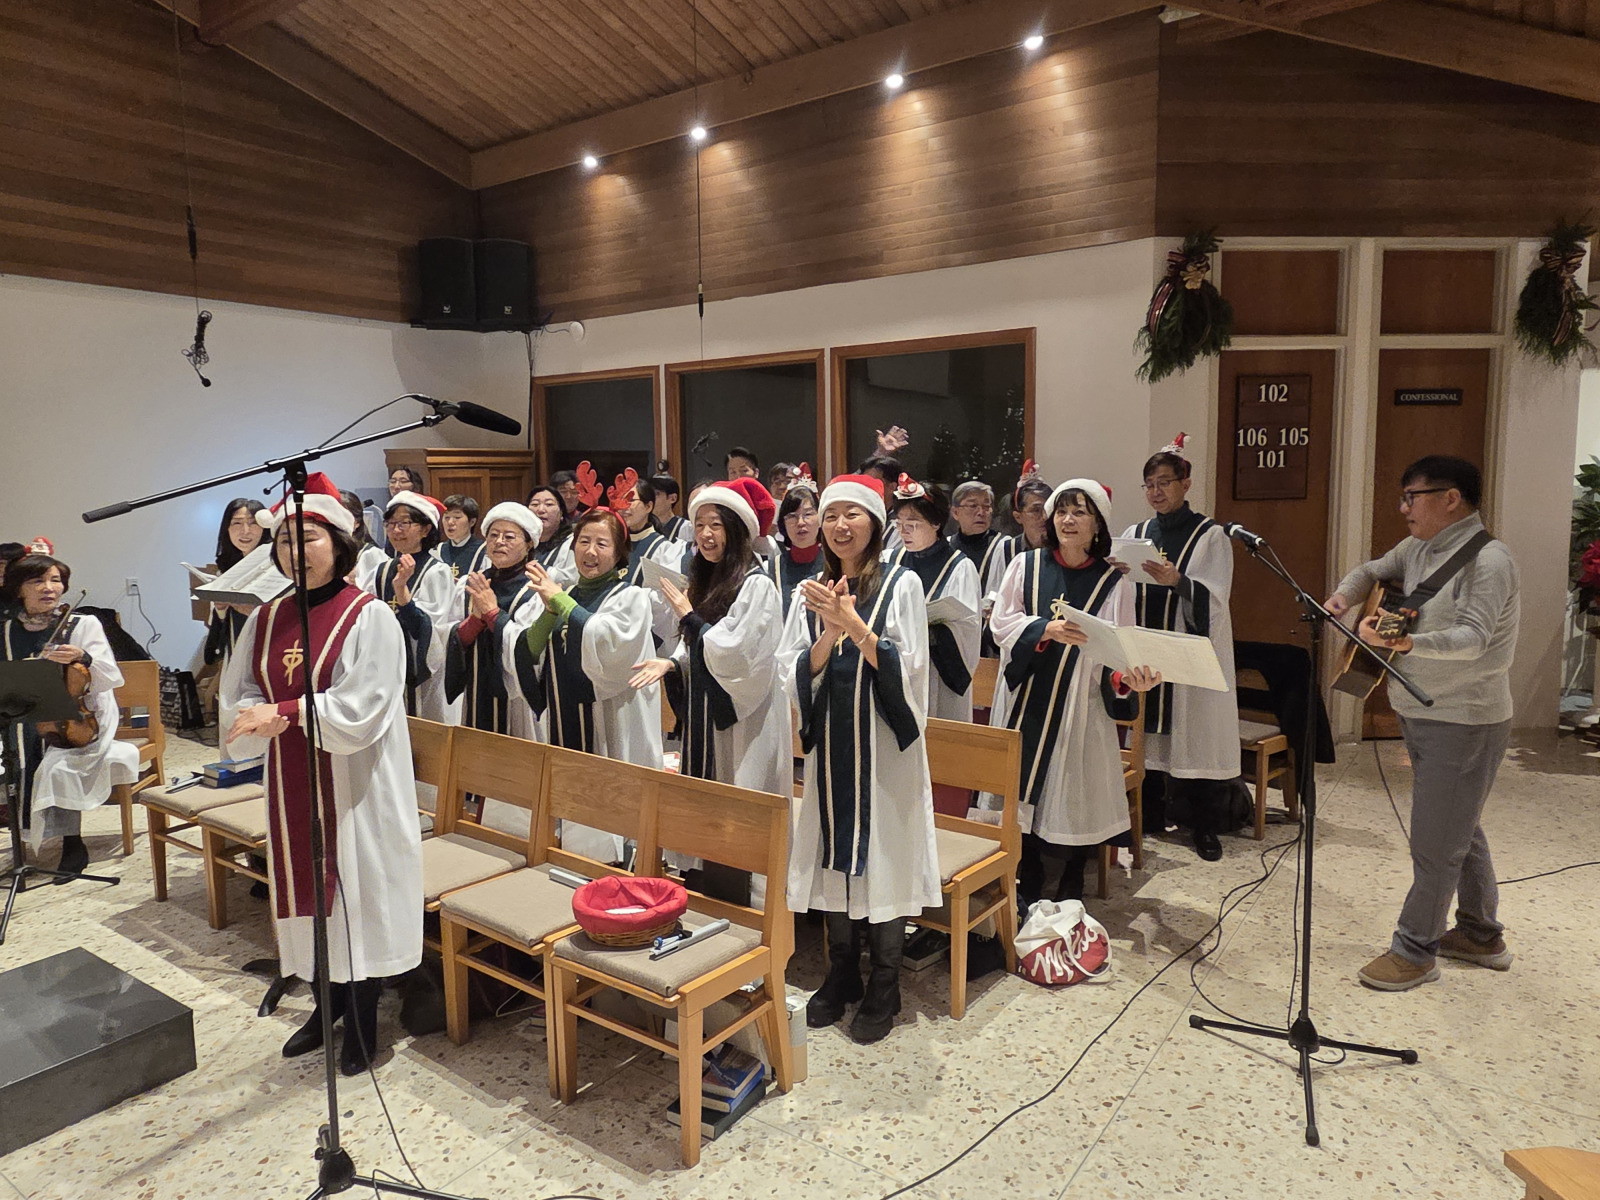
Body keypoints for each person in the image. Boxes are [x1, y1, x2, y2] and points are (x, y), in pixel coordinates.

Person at [220, 471, 422, 1075]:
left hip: (356, 784)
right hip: (292, 780)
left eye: (308, 539)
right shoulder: (266, 617)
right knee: (309, 897)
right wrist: (256, 715)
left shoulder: (370, 617)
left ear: (339, 543)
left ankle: (363, 1020)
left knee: (356, 897)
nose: (295, 552)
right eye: (284, 541)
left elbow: (364, 709)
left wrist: (284, 713)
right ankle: (324, 1004)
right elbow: (240, 690)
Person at [1326, 456, 1520, 992]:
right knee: (1458, 825)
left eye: (1412, 497)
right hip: (1422, 710)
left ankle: (1415, 951)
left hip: (1465, 718)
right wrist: (1344, 596)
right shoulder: (1416, 549)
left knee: (1436, 842)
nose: (1403, 508)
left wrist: (1407, 642)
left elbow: (1474, 639)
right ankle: (1480, 935)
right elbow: (1371, 570)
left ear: (1451, 499)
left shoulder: (1490, 561)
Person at [780, 474, 940, 1044]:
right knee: (833, 856)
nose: (839, 525)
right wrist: (826, 637)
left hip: (884, 752)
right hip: (832, 751)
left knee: (885, 856)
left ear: (874, 523)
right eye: (830, 515)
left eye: (852, 514)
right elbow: (790, 668)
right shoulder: (810, 591)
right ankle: (842, 969)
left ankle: (886, 982)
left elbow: (912, 671)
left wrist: (853, 625)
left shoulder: (902, 584)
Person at [983, 480, 1160, 912]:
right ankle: (1027, 872)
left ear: (1098, 524)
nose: (1067, 520)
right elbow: (1001, 623)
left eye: (1080, 512)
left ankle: (1072, 875)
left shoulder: (1114, 583)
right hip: (1026, 694)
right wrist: (1044, 628)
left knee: (1073, 787)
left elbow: (1121, 650)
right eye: (1061, 511)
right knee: (1021, 785)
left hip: (1081, 700)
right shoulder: (1025, 565)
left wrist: (1129, 680)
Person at [630, 477, 788, 898]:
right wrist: (673, 662)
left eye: (715, 524)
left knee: (740, 805)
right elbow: (700, 649)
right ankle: (703, 889)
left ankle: (750, 904)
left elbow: (734, 655)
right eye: (699, 524)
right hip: (707, 717)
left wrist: (688, 617)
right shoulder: (709, 580)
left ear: (736, 530)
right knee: (707, 807)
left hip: (743, 720)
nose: (705, 534)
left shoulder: (756, 584)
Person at [515, 505, 663, 864]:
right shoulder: (564, 594)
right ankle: (571, 858)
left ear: (619, 552)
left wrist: (561, 602)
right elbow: (530, 650)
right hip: (567, 713)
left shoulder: (630, 597)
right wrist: (551, 610)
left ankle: (621, 864)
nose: (590, 552)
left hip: (615, 718)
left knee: (616, 805)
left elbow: (608, 644)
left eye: (602, 544)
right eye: (583, 542)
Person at [1118, 434, 1238, 862]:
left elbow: (1216, 599)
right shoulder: (1135, 534)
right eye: (1149, 484)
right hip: (1147, 646)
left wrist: (1180, 582)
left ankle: (1204, 825)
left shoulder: (1210, 536)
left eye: (1164, 482)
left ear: (1186, 484)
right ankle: (1149, 817)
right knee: (1148, 735)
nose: (1156, 491)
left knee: (1194, 736)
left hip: (1186, 650)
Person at [0, 554, 139, 876]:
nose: (49, 588)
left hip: (79, 716)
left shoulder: (82, 624)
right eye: (37, 581)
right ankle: (20, 847)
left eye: (55, 580)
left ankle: (72, 843)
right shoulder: (6, 631)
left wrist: (84, 657)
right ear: (19, 589)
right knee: (15, 754)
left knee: (56, 764)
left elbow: (111, 676)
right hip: (19, 714)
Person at [443, 502, 544, 743]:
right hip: (474, 691)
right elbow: (447, 636)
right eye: (493, 535)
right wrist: (475, 622)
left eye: (509, 537)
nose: (499, 542)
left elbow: (530, 649)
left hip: (517, 702)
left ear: (529, 544)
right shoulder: (470, 583)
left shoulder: (537, 588)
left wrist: (492, 615)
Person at [889, 476, 981, 720]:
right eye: (899, 523)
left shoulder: (960, 568)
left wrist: (928, 631)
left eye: (913, 524)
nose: (903, 531)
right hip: (895, 671)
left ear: (936, 523)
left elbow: (968, 631)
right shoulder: (889, 561)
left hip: (938, 675)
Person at [371, 491, 458, 723]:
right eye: (391, 524)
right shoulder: (381, 570)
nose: (396, 530)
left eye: (404, 523)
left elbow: (431, 629)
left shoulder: (436, 571)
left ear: (426, 529)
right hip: (384, 663)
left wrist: (402, 592)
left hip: (420, 670)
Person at [203, 497, 267, 676]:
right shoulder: (226, 568)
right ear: (227, 528)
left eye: (253, 523)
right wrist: (220, 608)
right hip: (236, 647)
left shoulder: (276, 563)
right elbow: (217, 622)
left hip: (268, 648)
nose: (245, 531)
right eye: (237, 523)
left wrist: (256, 612)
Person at [983, 468, 1050, 603]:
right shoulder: (1007, 549)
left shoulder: (1064, 548)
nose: (1044, 516)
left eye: (1048, 509)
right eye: (1036, 510)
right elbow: (994, 594)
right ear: (1018, 516)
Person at [768, 467, 824, 618]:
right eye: (792, 516)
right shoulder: (772, 568)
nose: (800, 522)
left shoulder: (835, 563)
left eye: (808, 514)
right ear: (783, 523)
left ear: (820, 519)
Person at [527, 484, 577, 582]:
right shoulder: (520, 542)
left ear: (561, 513)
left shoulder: (572, 542)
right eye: (535, 504)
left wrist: (529, 569)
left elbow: (571, 579)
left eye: (549, 504)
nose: (541, 510)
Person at [342, 490, 387, 592]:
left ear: (357, 522)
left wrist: (354, 585)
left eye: (344, 516)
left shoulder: (371, 555)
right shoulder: (327, 553)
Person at [434, 494, 486, 581]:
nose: (450, 522)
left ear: (472, 522)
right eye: (446, 517)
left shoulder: (483, 550)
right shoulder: (438, 550)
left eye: (457, 517)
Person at [650, 473, 689, 543]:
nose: (651, 499)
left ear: (673, 498)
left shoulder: (686, 528)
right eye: (650, 494)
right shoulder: (644, 528)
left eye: (656, 494)